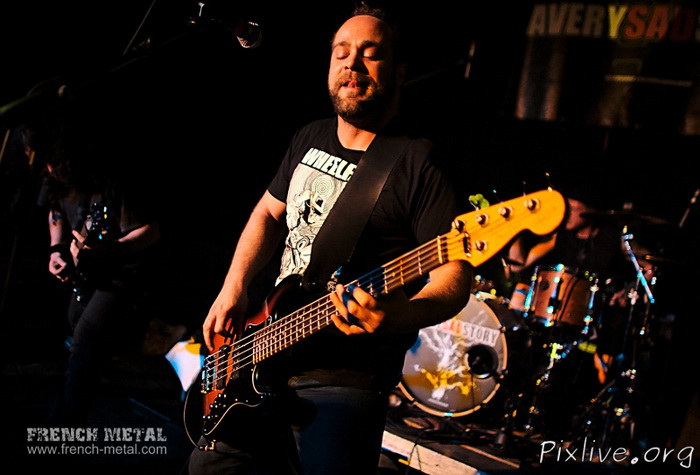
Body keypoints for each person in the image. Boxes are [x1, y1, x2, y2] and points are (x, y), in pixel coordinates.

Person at [187, 3, 473, 474]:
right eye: (341, 52)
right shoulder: (310, 136)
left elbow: (453, 276)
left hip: (345, 378)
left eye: (370, 53)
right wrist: (234, 286)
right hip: (264, 350)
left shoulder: (418, 164)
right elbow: (267, 212)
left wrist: (400, 316)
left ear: (400, 72)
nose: (351, 63)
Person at [22, 106, 163, 425]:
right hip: (87, 270)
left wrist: (113, 249)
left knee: (86, 335)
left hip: (123, 272)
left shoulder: (113, 180)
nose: (47, 167)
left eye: (51, 160)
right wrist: (56, 250)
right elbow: (55, 212)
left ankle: (66, 421)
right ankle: (88, 389)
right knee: (75, 324)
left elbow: (151, 231)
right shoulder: (53, 175)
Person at [504, 184, 656, 439]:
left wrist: (631, 290)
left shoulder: (613, 238)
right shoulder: (558, 236)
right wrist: (516, 229)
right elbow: (519, 264)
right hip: (558, 317)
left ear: (589, 211)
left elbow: (649, 267)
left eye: (573, 208)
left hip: (602, 323)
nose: (566, 214)